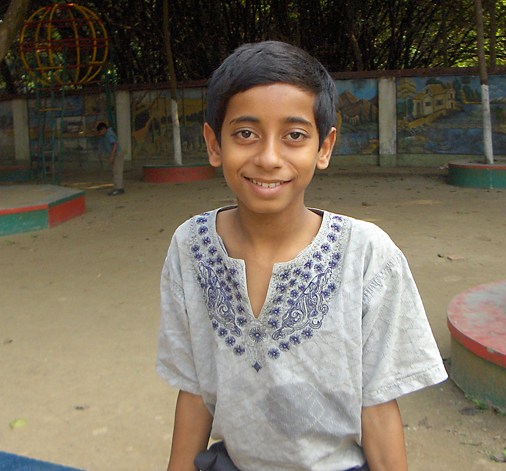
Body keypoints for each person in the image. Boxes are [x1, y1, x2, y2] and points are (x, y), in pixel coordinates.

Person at [156, 40, 447, 471]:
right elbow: (196, 391)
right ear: (214, 144)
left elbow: (378, 406)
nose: (269, 158)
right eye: (245, 134)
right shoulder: (191, 247)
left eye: (294, 136)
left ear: (324, 147)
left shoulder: (366, 256)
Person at [96, 121, 124, 195]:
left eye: (100, 131)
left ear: (103, 129)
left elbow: (114, 144)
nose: (100, 133)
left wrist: (111, 156)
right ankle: (118, 187)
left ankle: (118, 188)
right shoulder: (106, 135)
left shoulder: (109, 134)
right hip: (116, 154)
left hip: (117, 154)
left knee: (117, 171)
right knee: (116, 171)